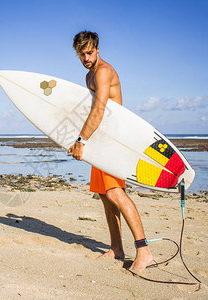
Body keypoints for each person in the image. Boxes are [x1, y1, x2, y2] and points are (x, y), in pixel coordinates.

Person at [68, 30, 154, 272]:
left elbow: (100, 110)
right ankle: (117, 248)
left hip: (114, 141)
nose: (86, 58)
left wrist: (81, 140)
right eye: (81, 54)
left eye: (89, 52)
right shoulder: (89, 76)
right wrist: (77, 140)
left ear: (97, 48)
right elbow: (89, 113)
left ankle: (144, 251)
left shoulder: (103, 72)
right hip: (100, 141)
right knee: (105, 197)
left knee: (116, 194)